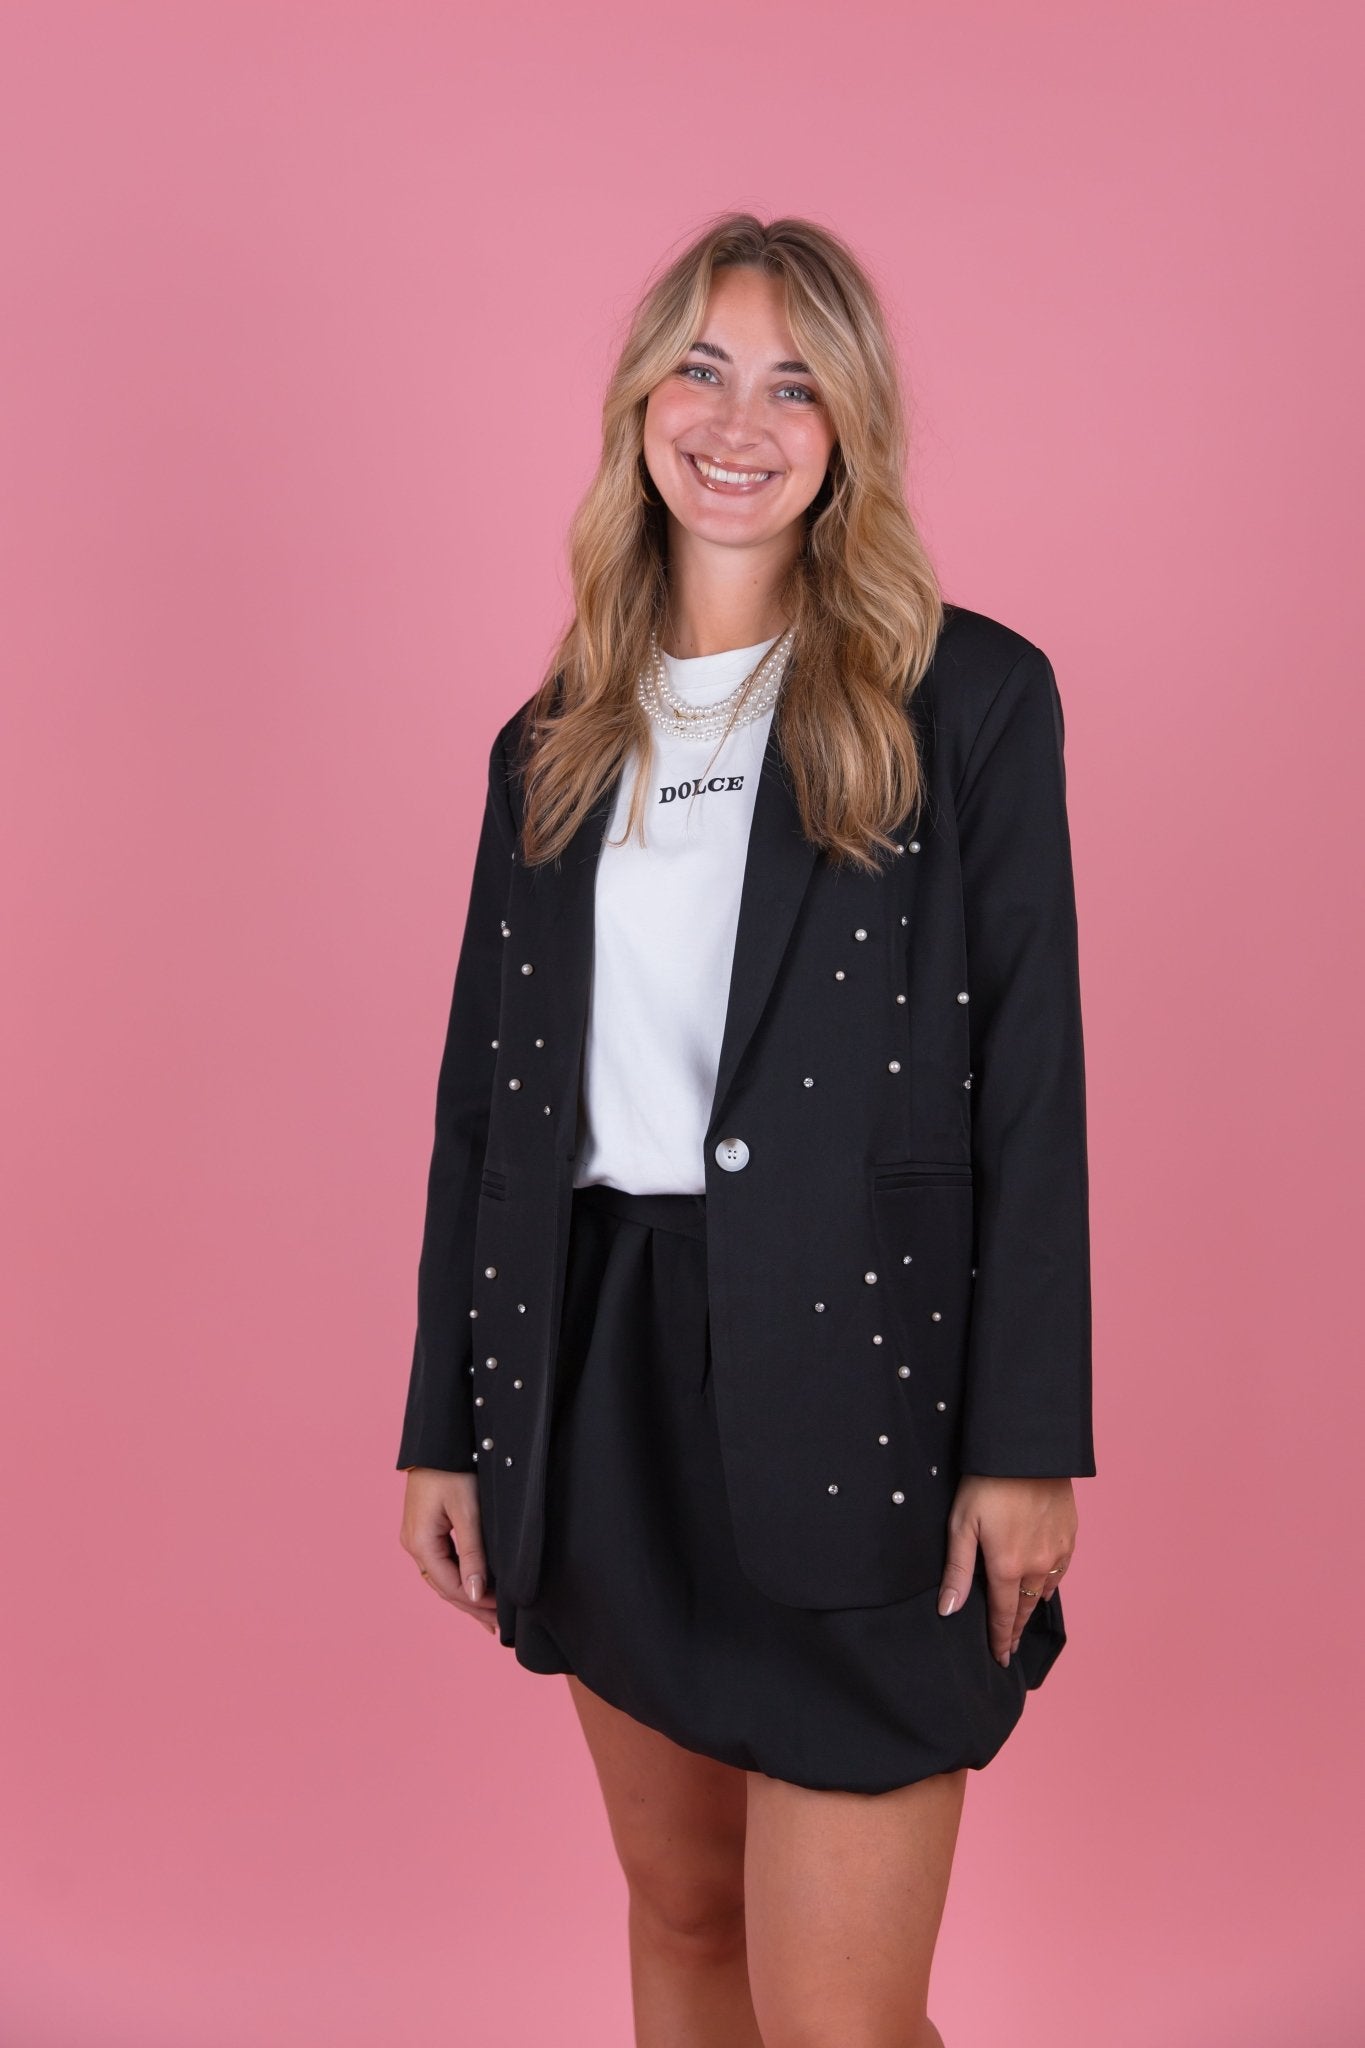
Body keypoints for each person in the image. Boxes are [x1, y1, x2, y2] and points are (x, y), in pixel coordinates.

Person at [397, 211, 1096, 2048]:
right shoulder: (551, 740)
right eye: (700, 370)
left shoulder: (968, 699)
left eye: (793, 385)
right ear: (639, 403)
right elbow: (487, 1106)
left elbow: (1033, 1087)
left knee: (839, 2015)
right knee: (686, 1920)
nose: (736, 421)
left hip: (867, 1381)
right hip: (599, 1375)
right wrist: (446, 1422)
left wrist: (1026, 1441)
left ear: (849, 428)